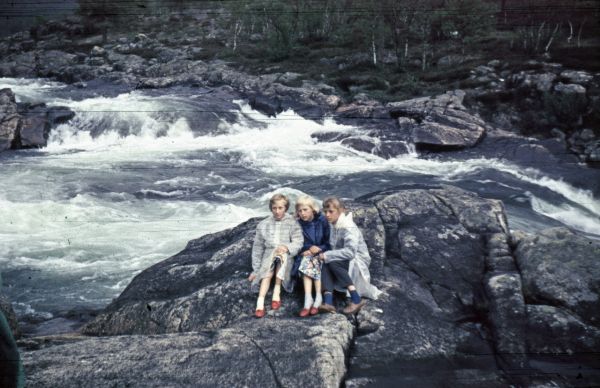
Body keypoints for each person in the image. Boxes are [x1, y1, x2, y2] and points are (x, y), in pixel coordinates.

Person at [318, 197, 381, 315]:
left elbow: (350, 252)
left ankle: (356, 299)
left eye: (331, 211)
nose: (327, 215)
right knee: (326, 262)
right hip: (343, 259)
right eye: (325, 211)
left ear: (341, 211)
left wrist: (327, 255)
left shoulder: (348, 226)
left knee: (330, 260)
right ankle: (328, 302)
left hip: (357, 259)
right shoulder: (334, 224)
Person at [248, 193, 303, 318]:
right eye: (274, 208)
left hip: (286, 254)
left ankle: (276, 292)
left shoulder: (293, 223)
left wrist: (287, 248)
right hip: (269, 254)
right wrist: (256, 269)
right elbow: (258, 247)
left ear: (286, 208)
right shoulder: (263, 224)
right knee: (267, 271)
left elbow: (298, 242)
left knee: (281, 259)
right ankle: (260, 301)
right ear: (271, 208)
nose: (277, 211)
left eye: (280, 208)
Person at [293, 195, 331, 317]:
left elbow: (329, 242)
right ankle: (308, 299)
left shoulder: (323, 221)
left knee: (315, 259)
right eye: (300, 211)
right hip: (306, 255)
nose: (302, 213)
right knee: (308, 259)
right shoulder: (298, 224)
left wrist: (319, 248)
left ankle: (318, 297)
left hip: (321, 252)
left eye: (305, 210)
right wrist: (305, 250)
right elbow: (297, 242)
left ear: (313, 209)